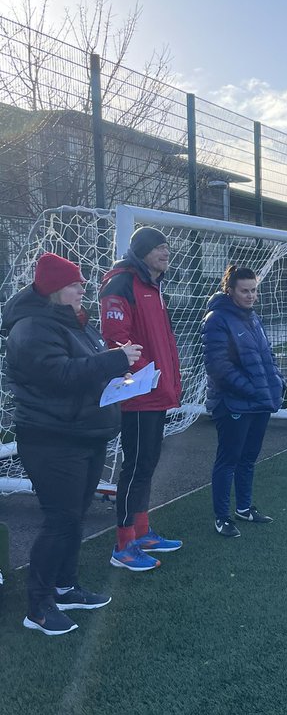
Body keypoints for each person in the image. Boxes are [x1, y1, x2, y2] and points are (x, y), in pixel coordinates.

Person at [2, 253, 142, 635]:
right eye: (75, 284)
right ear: (53, 290)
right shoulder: (31, 328)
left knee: (73, 518)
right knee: (60, 520)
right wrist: (113, 363)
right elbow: (59, 375)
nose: (83, 289)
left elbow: (84, 374)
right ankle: (39, 607)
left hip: (85, 434)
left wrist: (118, 378)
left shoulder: (77, 324)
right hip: (52, 439)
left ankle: (66, 587)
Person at [100, 227, 183, 571]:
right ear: (142, 252)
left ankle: (143, 531)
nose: (165, 252)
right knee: (134, 466)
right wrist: (147, 375)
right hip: (138, 392)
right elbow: (116, 339)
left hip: (158, 390)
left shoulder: (154, 286)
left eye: (167, 246)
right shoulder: (121, 283)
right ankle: (123, 545)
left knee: (147, 463)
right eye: (158, 247)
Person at [202, 265, 285, 538]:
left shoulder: (253, 318)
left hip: (259, 400)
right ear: (230, 291)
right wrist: (251, 389)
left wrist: (276, 381)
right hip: (233, 403)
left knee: (249, 458)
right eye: (245, 291)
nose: (251, 296)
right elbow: (218, 367)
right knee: (229, 459)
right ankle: (222, 517)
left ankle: (245, 507)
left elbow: (266, 355)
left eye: (254, 290)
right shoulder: (217, 319)